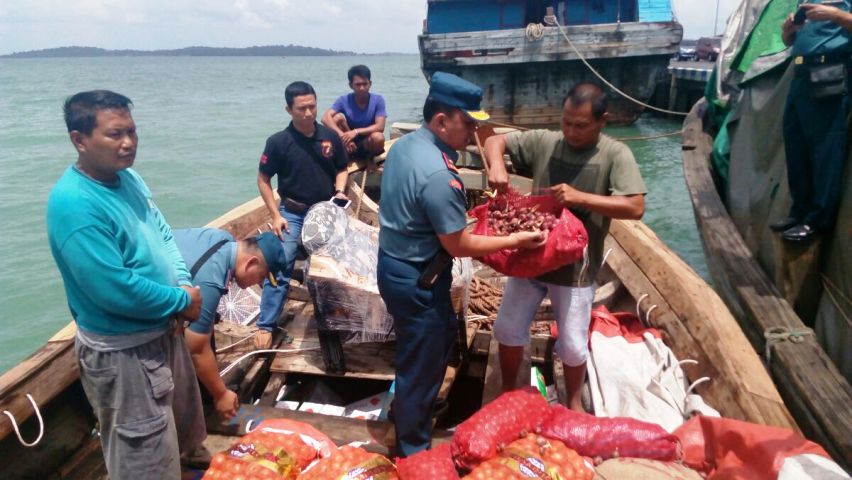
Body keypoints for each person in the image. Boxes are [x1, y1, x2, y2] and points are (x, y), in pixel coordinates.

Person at [377, 72, 546, 457]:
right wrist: (516, 239)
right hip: (420, 279)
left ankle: (410, 407)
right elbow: (459, 244)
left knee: (414, 349)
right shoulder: (440, 175)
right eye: (468, 123)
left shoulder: (404, 147)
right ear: (441, 121)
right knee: (425, 356)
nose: (473, 133)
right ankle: (413, 448)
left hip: (393, 266)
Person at [46, 90, 205, 479]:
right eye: (115, 134)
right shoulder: (74, 203)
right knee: (143, 457)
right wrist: (179, 301)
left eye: (132, 131)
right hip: (125, 353)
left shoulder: (128, 178)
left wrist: (183, 283)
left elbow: (162, 232)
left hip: (164, 331)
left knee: (179, 434)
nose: (129, 143)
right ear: (79, 140)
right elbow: (113, 288)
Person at [483, 83, 646, 412]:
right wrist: (497, 165)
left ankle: (573, 403)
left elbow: (635, 206)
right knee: (507, 328)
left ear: (603, 121)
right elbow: (492, 139)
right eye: (566, 122)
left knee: (572, 345)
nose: (571, 131)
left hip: (575, 269)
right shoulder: (546, 141)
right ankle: (508, 391)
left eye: (581, 125)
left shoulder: (616, 154)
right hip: (531, 257)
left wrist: (580, 198)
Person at [256, 81, 349, 348]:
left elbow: (342, 168)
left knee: (336, 262)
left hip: (324, 209)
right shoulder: (277, 142)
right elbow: (263, 179)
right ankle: (266, 323)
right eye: (301, 108)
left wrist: (340, 191)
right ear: (289, 110)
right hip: (292, 211)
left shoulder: (329, 137)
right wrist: (275, 215)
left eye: (312, 106)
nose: (308, 113)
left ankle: (338, 313)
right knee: (281, 261)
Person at [173, 228, 290, 420]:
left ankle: (206, 393)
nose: (258, 283)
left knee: (205, 326)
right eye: (261, 277)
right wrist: (221, 394)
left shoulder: (223, 239)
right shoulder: (211, 280)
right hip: (136, 315)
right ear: (251, 263)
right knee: (195, 343)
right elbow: (195, 348)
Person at [772, 1, 852, 242]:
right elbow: (789, 42)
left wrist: (836, 15)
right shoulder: (805, 2)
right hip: (801, 74)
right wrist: (788, 32)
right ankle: (800, 212)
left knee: (824, 148)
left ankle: (817, 221)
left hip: (829, 72)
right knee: (795, 145)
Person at [321, 64, 387, 159]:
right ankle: (339, 156)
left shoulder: (378, 100)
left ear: (370, 84)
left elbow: (380, 127)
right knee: (336, 118)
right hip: (348, 142)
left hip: (368, 143)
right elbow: (325, 118)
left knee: (378, 137)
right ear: (351, 85)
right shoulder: (344, 100)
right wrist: (343, 135)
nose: (362, 88)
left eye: (365, 84)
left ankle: (369, 159)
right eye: (358, 84)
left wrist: (356, 132)